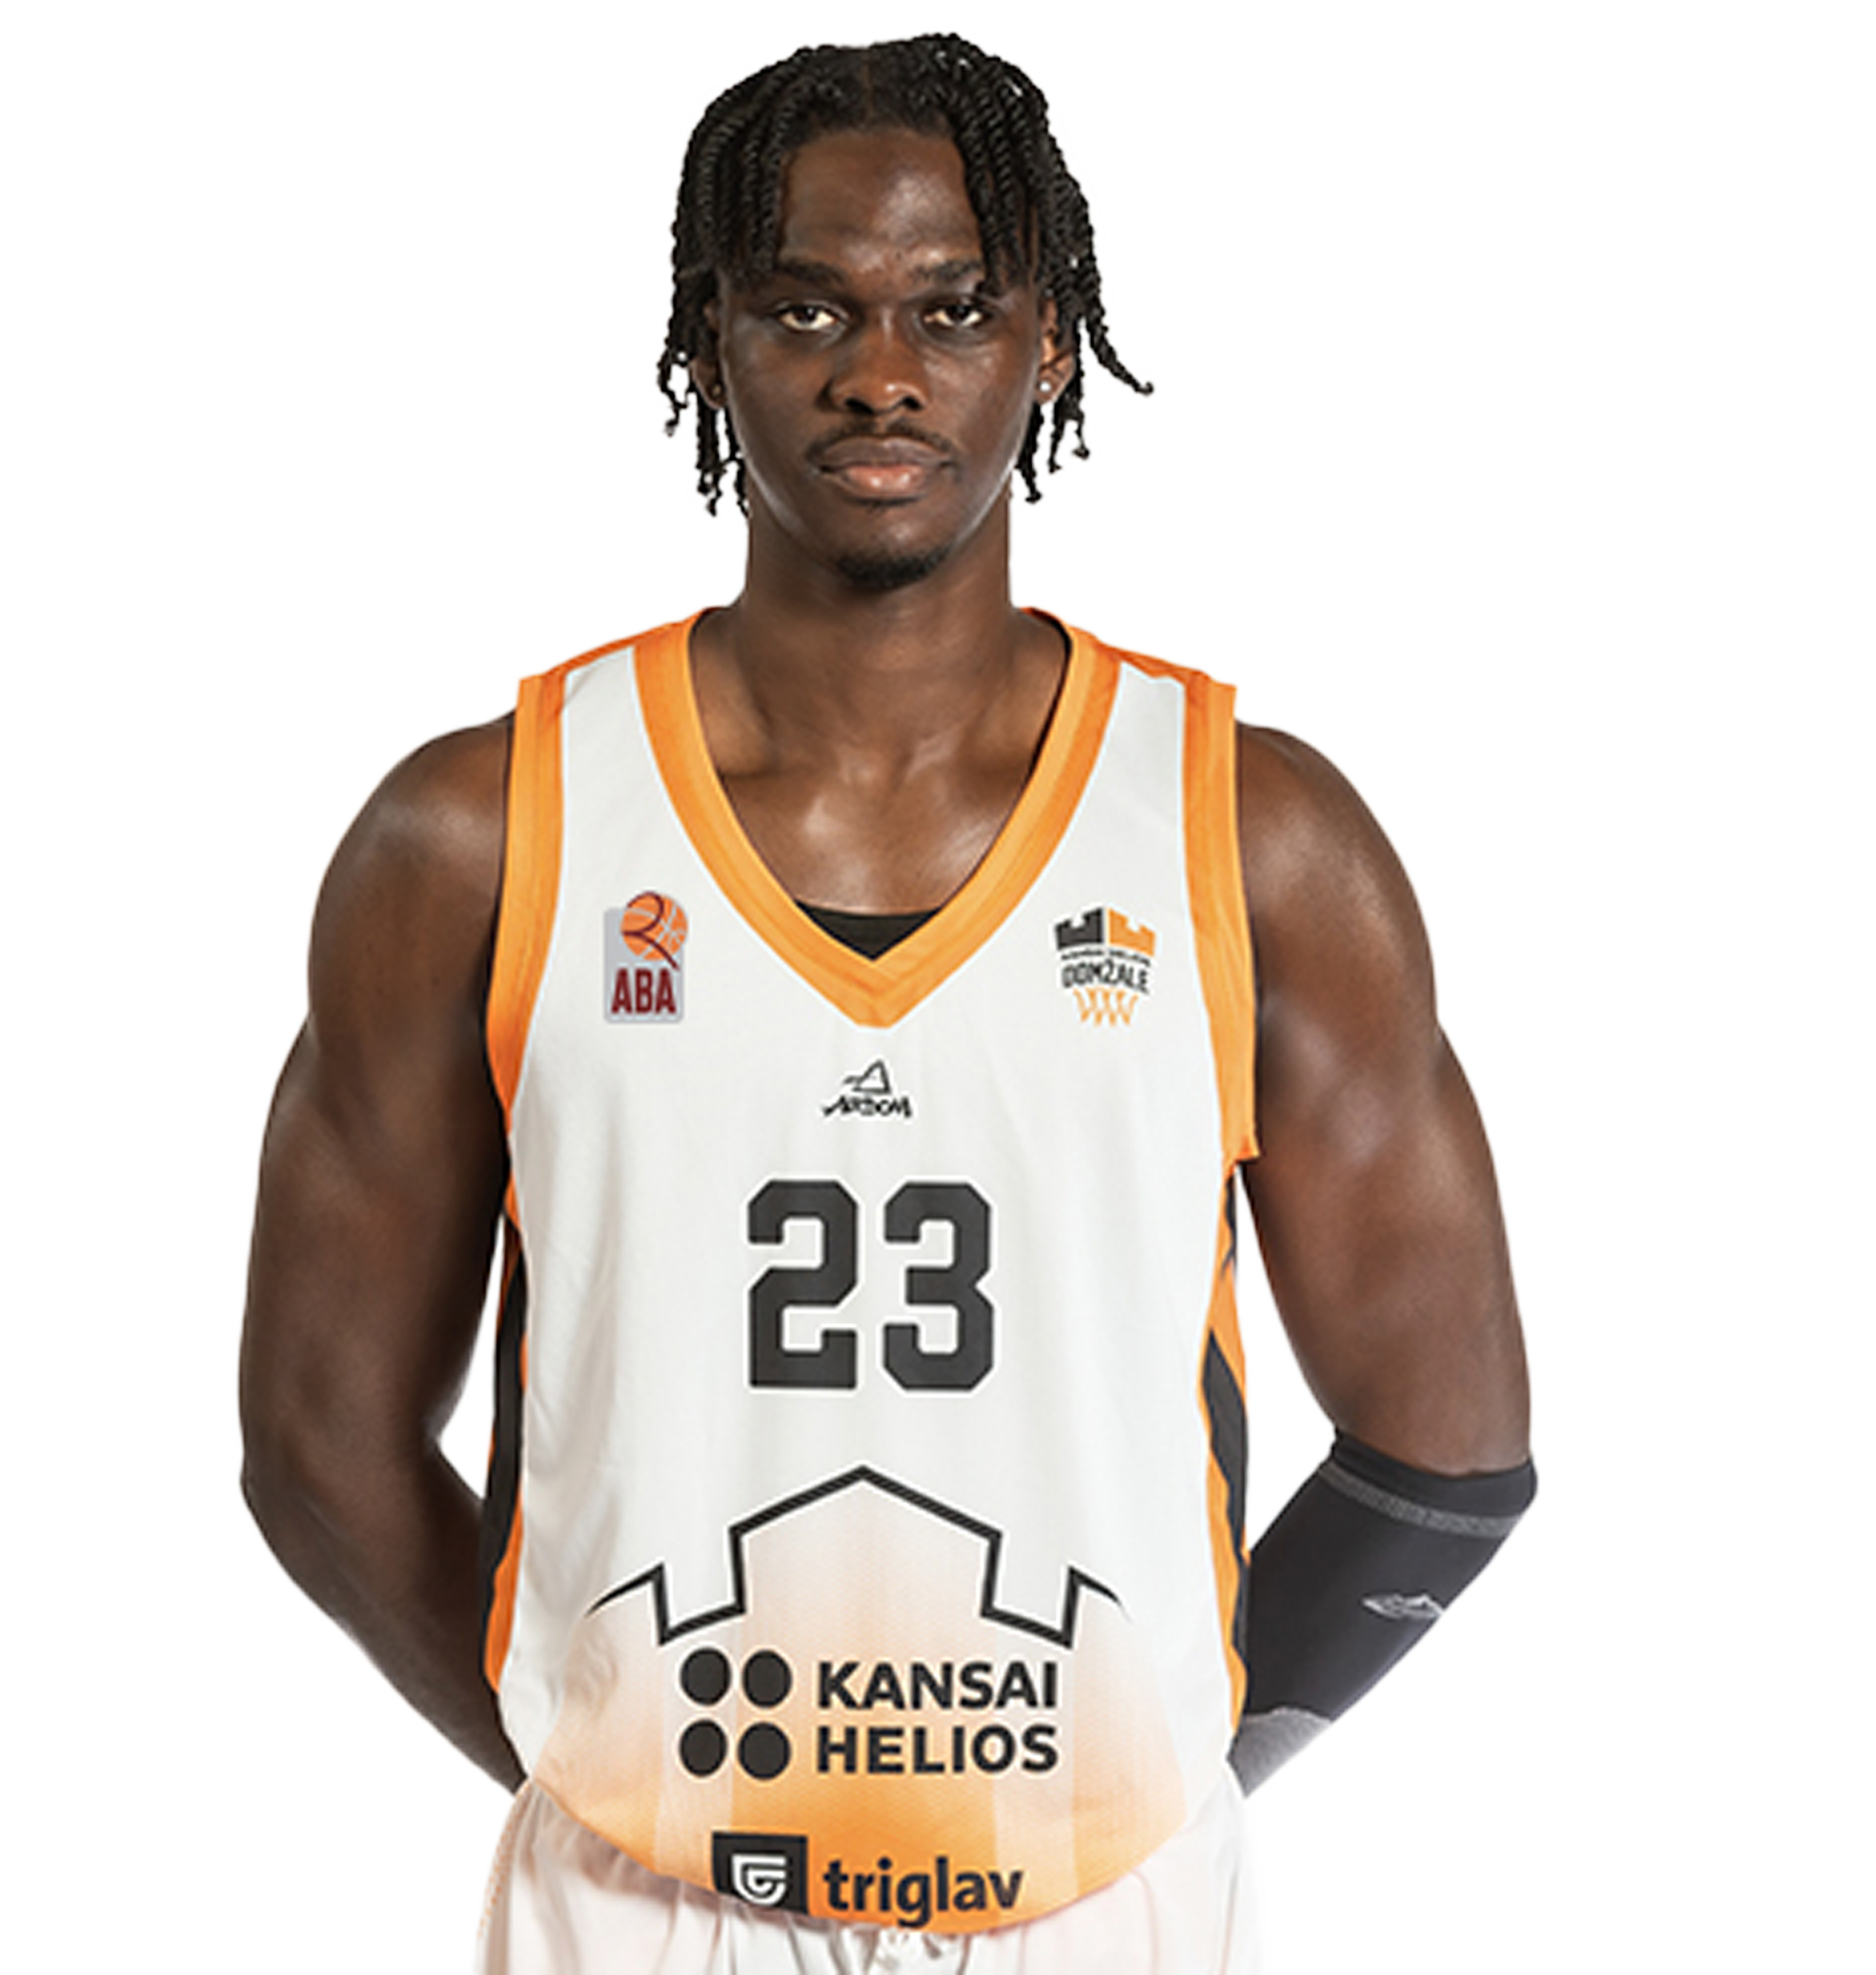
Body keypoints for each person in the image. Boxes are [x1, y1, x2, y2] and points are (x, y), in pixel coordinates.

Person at [241, 31, 1533, 1973]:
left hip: (1095, 1913)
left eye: (953, 305)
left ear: (1051, 345)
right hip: (643, 1910)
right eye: (804, 307)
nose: (880, 371)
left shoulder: (1250, 838)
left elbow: (1446, 1460)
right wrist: (596, 1773)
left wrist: (1165, 1784)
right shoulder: (483, 833)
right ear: (710, 340)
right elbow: (315, 1437)